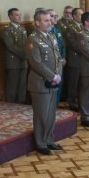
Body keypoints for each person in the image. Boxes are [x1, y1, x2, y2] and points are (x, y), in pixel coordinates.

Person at [26, 10, 63, 155]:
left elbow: (57, 58)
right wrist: (52, 76)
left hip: (53, 81)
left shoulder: (51, 36)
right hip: (41, 83)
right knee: (42, 114)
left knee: (51, 114)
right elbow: (36, 62)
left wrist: (58, 75)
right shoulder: (33, 39)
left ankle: (49, 140)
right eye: (46, 20)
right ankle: (40, 143)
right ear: (37, 23)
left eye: (50, 19)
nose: (50, 22)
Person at [2, 8, 28, 104]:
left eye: (20, 14)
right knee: (12, 85)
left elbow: (26, 44)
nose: (19, 16)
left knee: (22, 85)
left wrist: (27, 55)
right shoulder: (7, 30)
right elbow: (10, 46)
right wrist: (24, 54)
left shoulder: (22, 29)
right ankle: (11, 105)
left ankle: (21, 103)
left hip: (23, 61)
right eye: (17, 15)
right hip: (13, 62)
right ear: (10, 16)